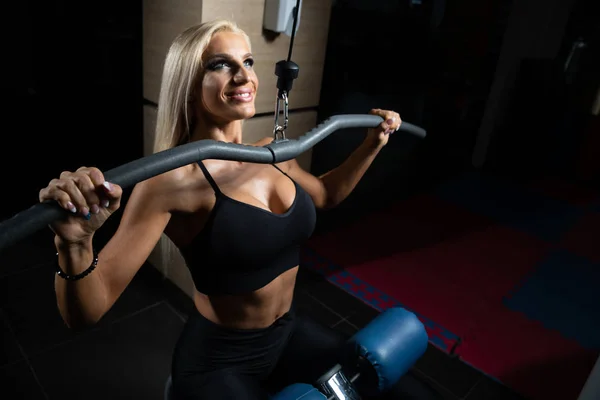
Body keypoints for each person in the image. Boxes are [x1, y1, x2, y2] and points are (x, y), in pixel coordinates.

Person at [39, 19, 404, 399]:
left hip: (287, 332)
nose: (242, 75)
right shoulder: (169, 183)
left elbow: (327, 194)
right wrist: (76, 245)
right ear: (190, 89)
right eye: (219, 65)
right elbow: (86, 312)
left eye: (247, 61)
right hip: (219, 360)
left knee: (397, 387)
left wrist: (372, 144)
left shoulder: (272, 151)